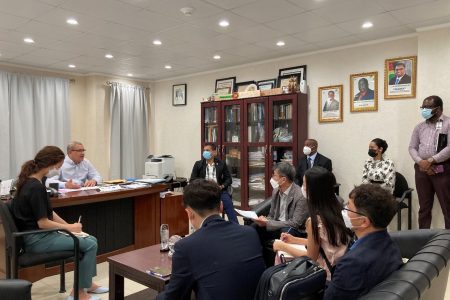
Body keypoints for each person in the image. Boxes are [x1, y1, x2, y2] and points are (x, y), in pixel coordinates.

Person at [10, 146, 107, 300]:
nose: (60, 167)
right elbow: (43, 223)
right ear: (54, 162)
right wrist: (70, 228)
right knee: (90, 243)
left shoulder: (31, 181)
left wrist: (70, 226)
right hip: (37, 239)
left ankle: (86, 284)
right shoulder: (36, 187)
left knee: (88, 240)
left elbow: (49, 213)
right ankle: (79, 293)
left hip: (37, 236)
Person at [156, 179, 265, 300]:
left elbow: (173, 296)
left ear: (189, 213)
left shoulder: (186, 247)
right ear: (221, 206)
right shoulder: (250, 233)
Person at [324, 184, 402, 299]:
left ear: (363, 222)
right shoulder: (389, 243)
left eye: (348, 208)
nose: (344, 210)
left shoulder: (352, 263)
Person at [273, 167, 350, 280]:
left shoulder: (316, 220)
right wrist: (295, 240)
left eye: (304, 185)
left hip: (324, 275)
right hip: (339, 268)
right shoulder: (337, 210)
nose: (302, 188)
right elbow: (325, 243)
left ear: (313, 190)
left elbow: (311, 257)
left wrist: (283, 246)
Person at [252, 162, 308, 266]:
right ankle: (256, 262)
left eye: (274, 175)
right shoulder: (276, 191)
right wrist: (263, 220)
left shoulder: (300, 196)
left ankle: (280, 267)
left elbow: (295, 223)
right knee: (254, 228)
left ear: (283, 179)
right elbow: (272, 215)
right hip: (276, 224)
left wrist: (269, 223)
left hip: (292, 228)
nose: (272, 177)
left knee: (285, 231)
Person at [409, 95, 450, 228]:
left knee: (447, 206)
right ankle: (423, 238)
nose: (424, 110)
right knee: (424, 207)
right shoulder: (419, 127)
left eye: (427, 107)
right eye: (423, 107)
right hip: (421, 170)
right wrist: (421, 162)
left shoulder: (448, 124)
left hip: (443, 169)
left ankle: (448, 240)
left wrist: (432, 160)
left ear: (438, 109)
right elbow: (412, 147)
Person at [190, 142, 238, 223]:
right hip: (203, 192)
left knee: (229, 204)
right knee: (202, 207)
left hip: (219, 191)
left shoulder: (221, 164)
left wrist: (222, 186)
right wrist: (202, 185)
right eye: (204, 150)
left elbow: (229, 179)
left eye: (207, 150)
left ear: (214, 152)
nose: (205, 152)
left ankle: (235, 227)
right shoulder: (198, 164)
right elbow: (192, 180)